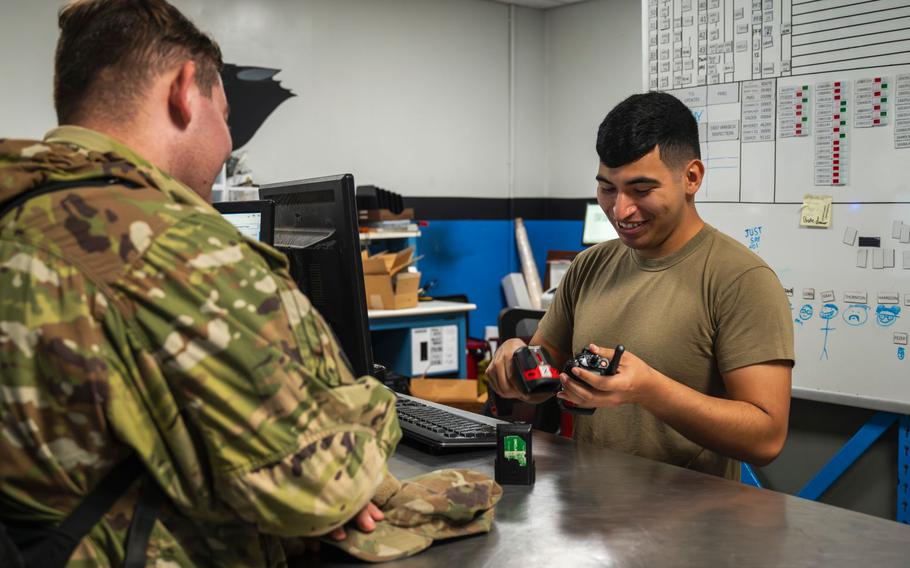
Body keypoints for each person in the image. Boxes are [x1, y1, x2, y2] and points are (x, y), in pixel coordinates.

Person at [0, 1, 399, 565]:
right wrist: (376, 408)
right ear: (186, 90)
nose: (228, 143)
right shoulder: (169, 245)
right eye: (226, 115)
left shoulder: (17, 209)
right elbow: (322, 486)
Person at [487, 92, 794, 479]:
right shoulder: (590, 266)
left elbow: (766, 438)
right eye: (608, 188)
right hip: (591, 514)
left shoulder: (740, 280)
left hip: (688, 527)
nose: (620, 210)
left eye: (641, 190)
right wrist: (517, 361)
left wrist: (649, 390)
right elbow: (544, 373)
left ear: (692, 177)